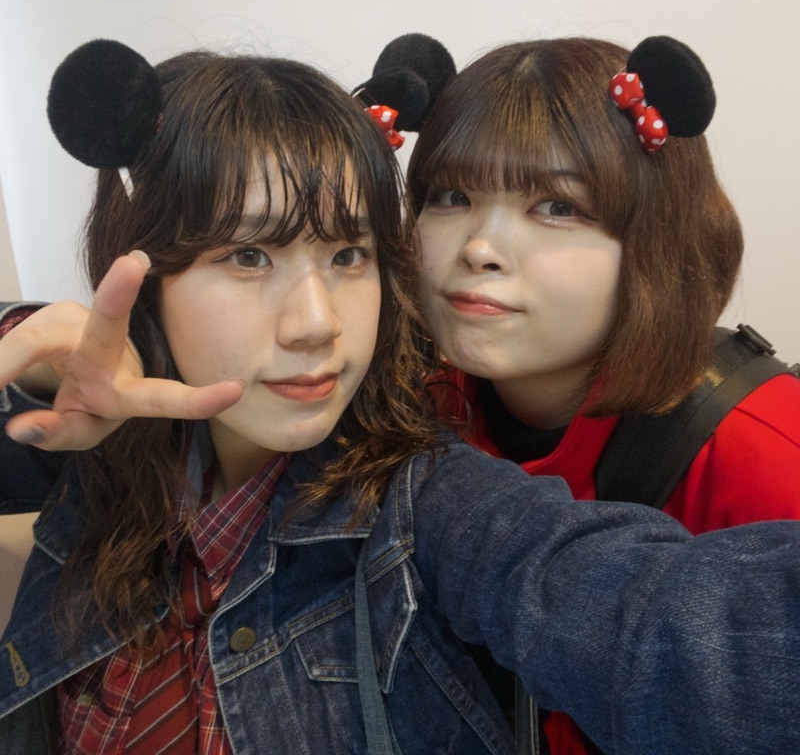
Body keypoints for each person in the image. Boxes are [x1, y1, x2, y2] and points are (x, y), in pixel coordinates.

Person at [3, 40, 800, 755]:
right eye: (249, 255)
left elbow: (657, 625)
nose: (318, 324)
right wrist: (30, 360)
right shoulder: (102, 446)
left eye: (349, 254)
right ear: (146, 278)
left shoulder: (432, 499)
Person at [406, 36, 800, 753]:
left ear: (657, 241)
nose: (479, 248)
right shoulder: (423, 408)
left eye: (556, 206)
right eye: (452, 196)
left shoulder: (766, 453)